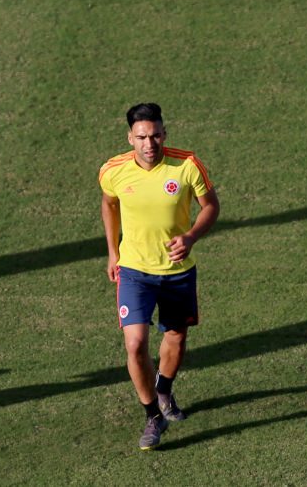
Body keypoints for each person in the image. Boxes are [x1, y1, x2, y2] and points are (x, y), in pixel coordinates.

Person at [99, 103, 220, 450]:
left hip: (177, 271)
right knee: (135, 344)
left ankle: (164, 389)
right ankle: (152, 415)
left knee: (176, 340)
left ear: (165, 134)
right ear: (130, 138)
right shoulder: (113, 171)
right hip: (135, 271)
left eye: (155, 136)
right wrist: (113, 250)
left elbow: (210, 205)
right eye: (141, 137)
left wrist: (191, 237)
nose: (149, 144)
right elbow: (109, 203)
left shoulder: (186, 165)